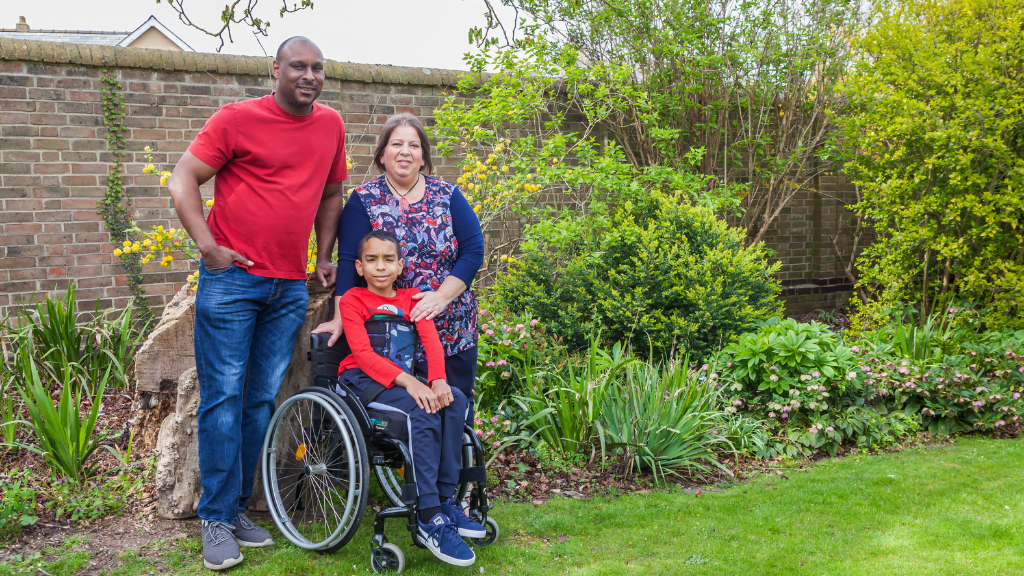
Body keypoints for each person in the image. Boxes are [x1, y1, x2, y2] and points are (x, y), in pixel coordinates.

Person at [167, 36, 347, 571]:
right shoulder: (236, 119)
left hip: (288, 287)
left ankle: (238, 507)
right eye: (298, 66)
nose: (309, 75)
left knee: (259, 401)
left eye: (318, 68)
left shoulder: (330, 125)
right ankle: (216, 519)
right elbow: (182, 180)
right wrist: (208, 248)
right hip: (233, 282)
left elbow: (333, 193)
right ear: (276, 69)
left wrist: (324, 254)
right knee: (222, 397)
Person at [314, 113, 484, 424]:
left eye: (413, 145)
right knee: (412, 415)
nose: (405, 151)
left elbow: (473, 251)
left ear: (423, 157)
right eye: (396, 144)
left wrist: (441, 298)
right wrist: (340, 316)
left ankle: (458, 471)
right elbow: (349, 261)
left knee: (455, 406)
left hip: (451, 326)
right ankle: (421, 470)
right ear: (382, 155)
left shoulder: (447, 196)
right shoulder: (364, 200)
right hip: (391, 333)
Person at [335, 229, 484, 566]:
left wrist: (438, 380)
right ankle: (428, 514)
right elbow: (363, 354)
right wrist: (413, 385)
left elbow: (431, 343)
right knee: (422, 409)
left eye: (388, 259)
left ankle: (445, 499)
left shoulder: (413, 298)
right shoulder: (353, 301)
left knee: (455, 401)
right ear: (359, 267)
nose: (380, 266)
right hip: (363, 379)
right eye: (371, 260)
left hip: (403, 381)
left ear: (401, 265)